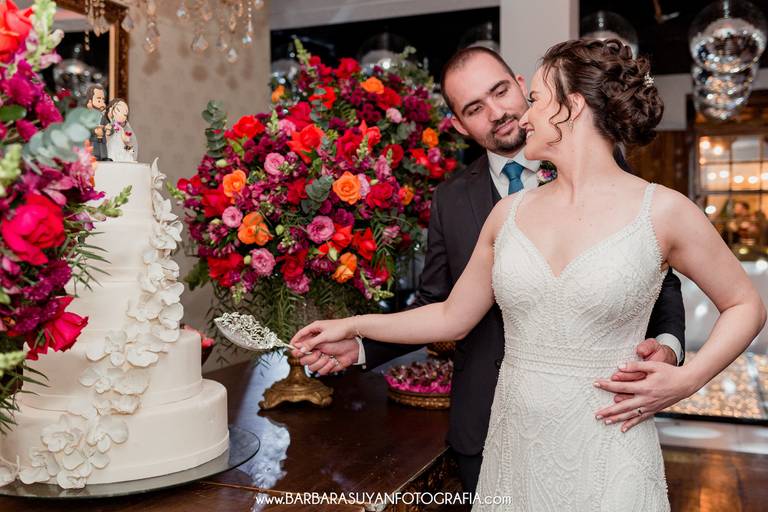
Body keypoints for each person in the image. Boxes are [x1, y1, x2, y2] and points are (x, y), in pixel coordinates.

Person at [292, 39, 766, 510]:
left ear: (571, 107)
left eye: (534, 99)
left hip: (610, 442)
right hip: (515, 445)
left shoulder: (663, 210)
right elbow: (451, 315)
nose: (523, 116)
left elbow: (744, 304)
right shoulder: (508, 214)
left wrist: (688, 378)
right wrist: (354, 325)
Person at [105, 98, 137, 163]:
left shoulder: (121, 128)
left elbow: (124, 137)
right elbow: (106, 136)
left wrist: (126, 138)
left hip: (120, 145)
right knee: (112, 154)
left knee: (122, 154)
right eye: (118, 110)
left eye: (125, 114)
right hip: (112, 145)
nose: (122, 116)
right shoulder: (109, 125)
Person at [85, 84, 111, 161]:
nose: (102, 103)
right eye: (99, 100)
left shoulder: (103, 116)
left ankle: (104, 156)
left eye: (103, 100)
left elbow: (108, 125)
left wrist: (108, 128)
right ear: (90, 101)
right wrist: (94, 131)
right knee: (95, 146)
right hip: (93, 139)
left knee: (103, 146)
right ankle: (95, 156)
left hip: (102, 139)